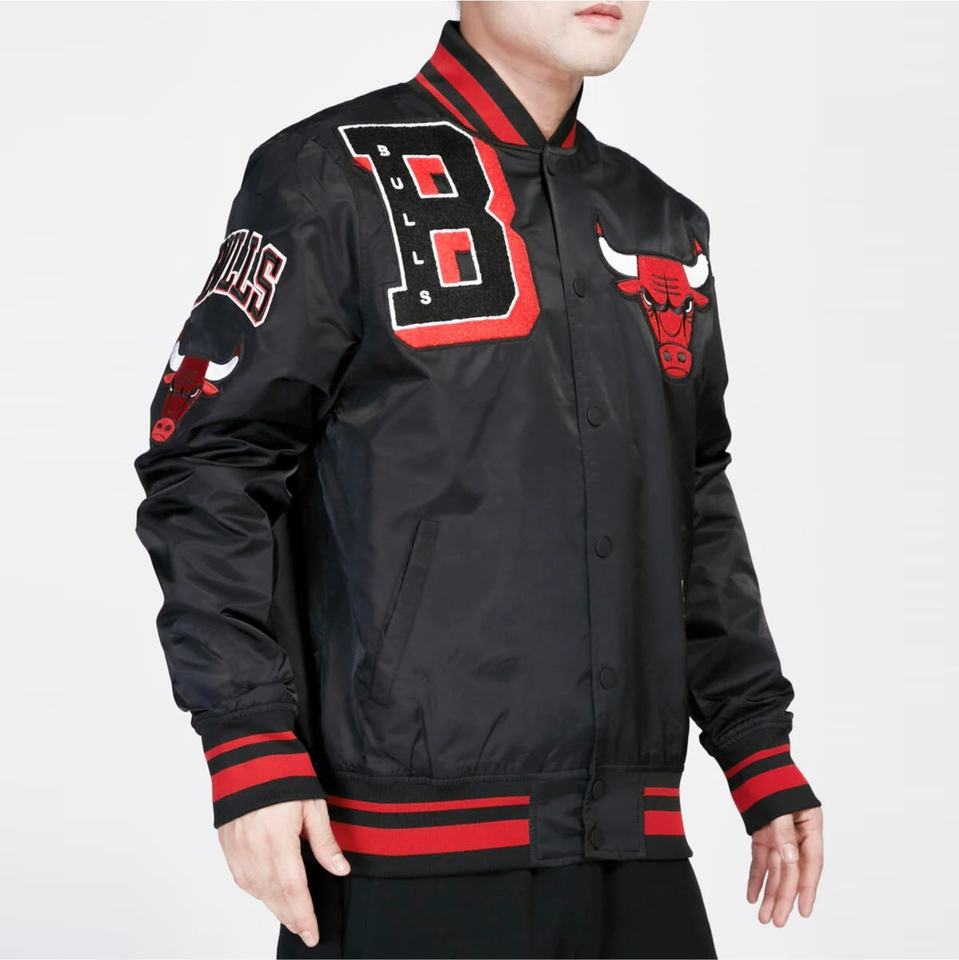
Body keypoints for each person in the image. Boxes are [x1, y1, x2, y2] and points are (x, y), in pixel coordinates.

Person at [133, 2, 824, 957]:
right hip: (401, 856)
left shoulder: (659, 225)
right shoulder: (330, 178)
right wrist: (247, 743)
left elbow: (693, 497)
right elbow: (209, 466)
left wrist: (755, 743)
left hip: (635, 848)